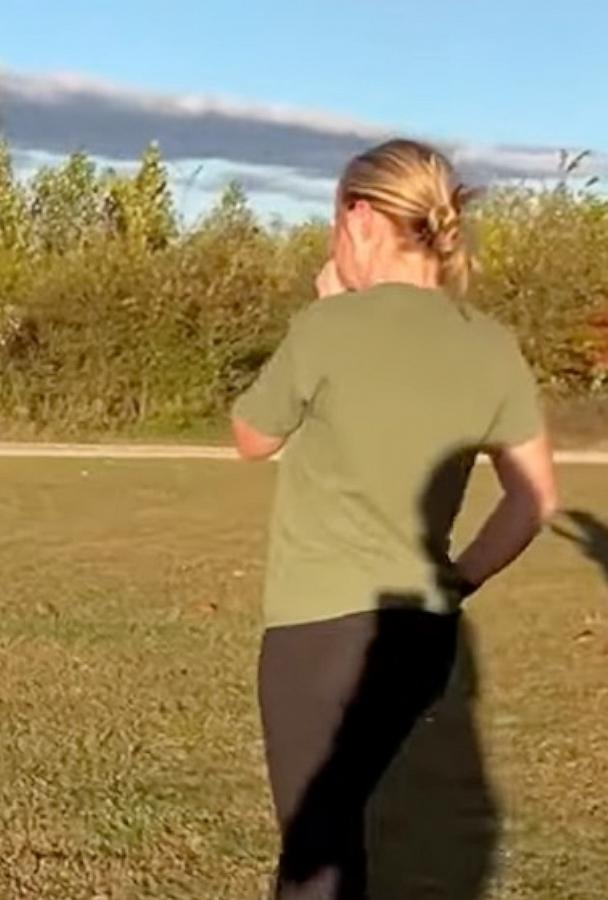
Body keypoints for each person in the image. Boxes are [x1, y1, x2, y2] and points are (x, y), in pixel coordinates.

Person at [230, 138, 558, 899]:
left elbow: (251, 438)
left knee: (316, 854)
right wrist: (460, 578)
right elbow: (533, 500)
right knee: (339, 827)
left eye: (333, 224)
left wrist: (322, 315)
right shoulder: (491, 343)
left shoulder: (328, 327)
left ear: (363, 219)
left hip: (318, 636)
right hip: (424, 637)